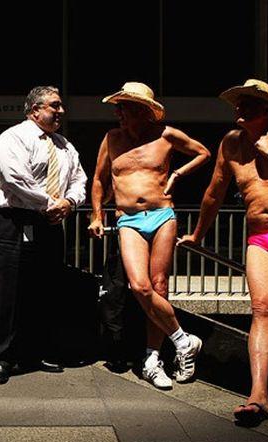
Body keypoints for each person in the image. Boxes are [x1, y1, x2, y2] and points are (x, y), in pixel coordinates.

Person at [179, 79, 268, 424]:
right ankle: (258, 394)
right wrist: (198, 235)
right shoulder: (230, 144)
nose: (240, 110)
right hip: (260, 239)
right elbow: (213, 194)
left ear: (267, 111)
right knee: (262, 309)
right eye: (238, 104)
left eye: (249, 104)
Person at [88, 82, 210, 389]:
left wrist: (178, 174)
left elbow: (203, 153)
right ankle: (183, 340)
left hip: (162, 215)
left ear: (143, 112)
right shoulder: (111, 139)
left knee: (159, 285)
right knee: (139, 286)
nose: (118, 114)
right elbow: (99, 180)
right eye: (118, 108)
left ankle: (152, 358)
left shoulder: (166, 135)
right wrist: (96, 214)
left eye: (124, 108)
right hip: (128, 219)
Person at [0, 85, 87, 385]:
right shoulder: (13, 137)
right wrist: (49, 203)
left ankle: (36, 351)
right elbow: (15, 178)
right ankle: (1, 357)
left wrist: (69, 203)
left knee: (45, 286)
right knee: (7, 290)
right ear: (35, 110)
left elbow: (79, 178)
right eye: (55, 106)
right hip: (14, 219)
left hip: (52, 220)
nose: (61, 111)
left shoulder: (64, 145)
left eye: (61, 106)